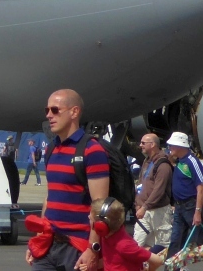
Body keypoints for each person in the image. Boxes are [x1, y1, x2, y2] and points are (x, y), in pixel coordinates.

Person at [30, 89, 109, 271]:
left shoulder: (92, 150)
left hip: (77, 247)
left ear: (74, 112)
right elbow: (49, 198)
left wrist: (93, 248)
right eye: (47, 110)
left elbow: (100, 205)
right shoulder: (51, 149)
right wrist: (39, 240)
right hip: (49, 244)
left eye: (55, 110)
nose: (49, 115)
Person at [165, 132, 203, 259]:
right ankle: (172, 266)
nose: (169, 148)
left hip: (191, 205)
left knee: (201, 240)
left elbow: (200, 188)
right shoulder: (179, 161)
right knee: (176, 240)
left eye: (172, 145)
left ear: (180, 146)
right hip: (179, 206)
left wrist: (198, 211)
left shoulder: (192, 161)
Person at [91, 197, 164, 271]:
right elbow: (109, 259)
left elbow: (157, 261)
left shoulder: (124, 245)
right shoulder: (106, 236)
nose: (88, 217)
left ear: (101, 226)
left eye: (91, 218)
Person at [133, 133, 172, 252]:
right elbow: (140, 183)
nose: (140, 145)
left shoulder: (163, 164)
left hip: (159, 211)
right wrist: (138, 203)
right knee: (137, 243)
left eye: (143, 143)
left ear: (153, 144)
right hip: (144, 211)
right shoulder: (146, 161)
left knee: (163, 245)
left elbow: (158, 190)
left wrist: (144, 207)